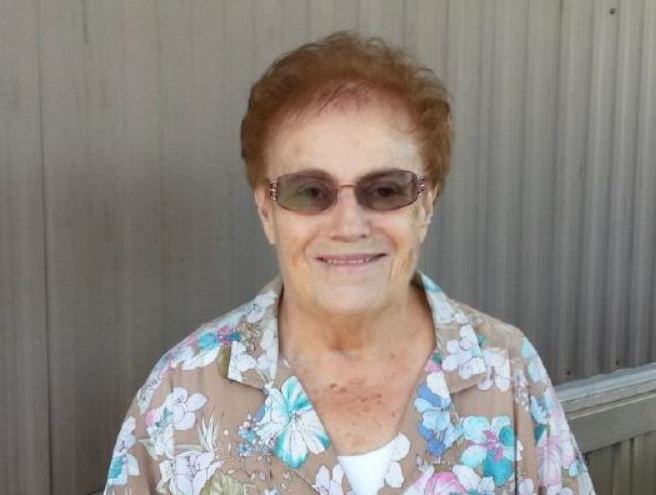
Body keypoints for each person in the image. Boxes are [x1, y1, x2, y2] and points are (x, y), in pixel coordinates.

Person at [104, 31, 595, 495]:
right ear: (267, 212)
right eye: (309, 191)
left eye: (385, 189)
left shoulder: (506, 372)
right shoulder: (182, 390)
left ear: (426, 205)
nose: (349, 224)